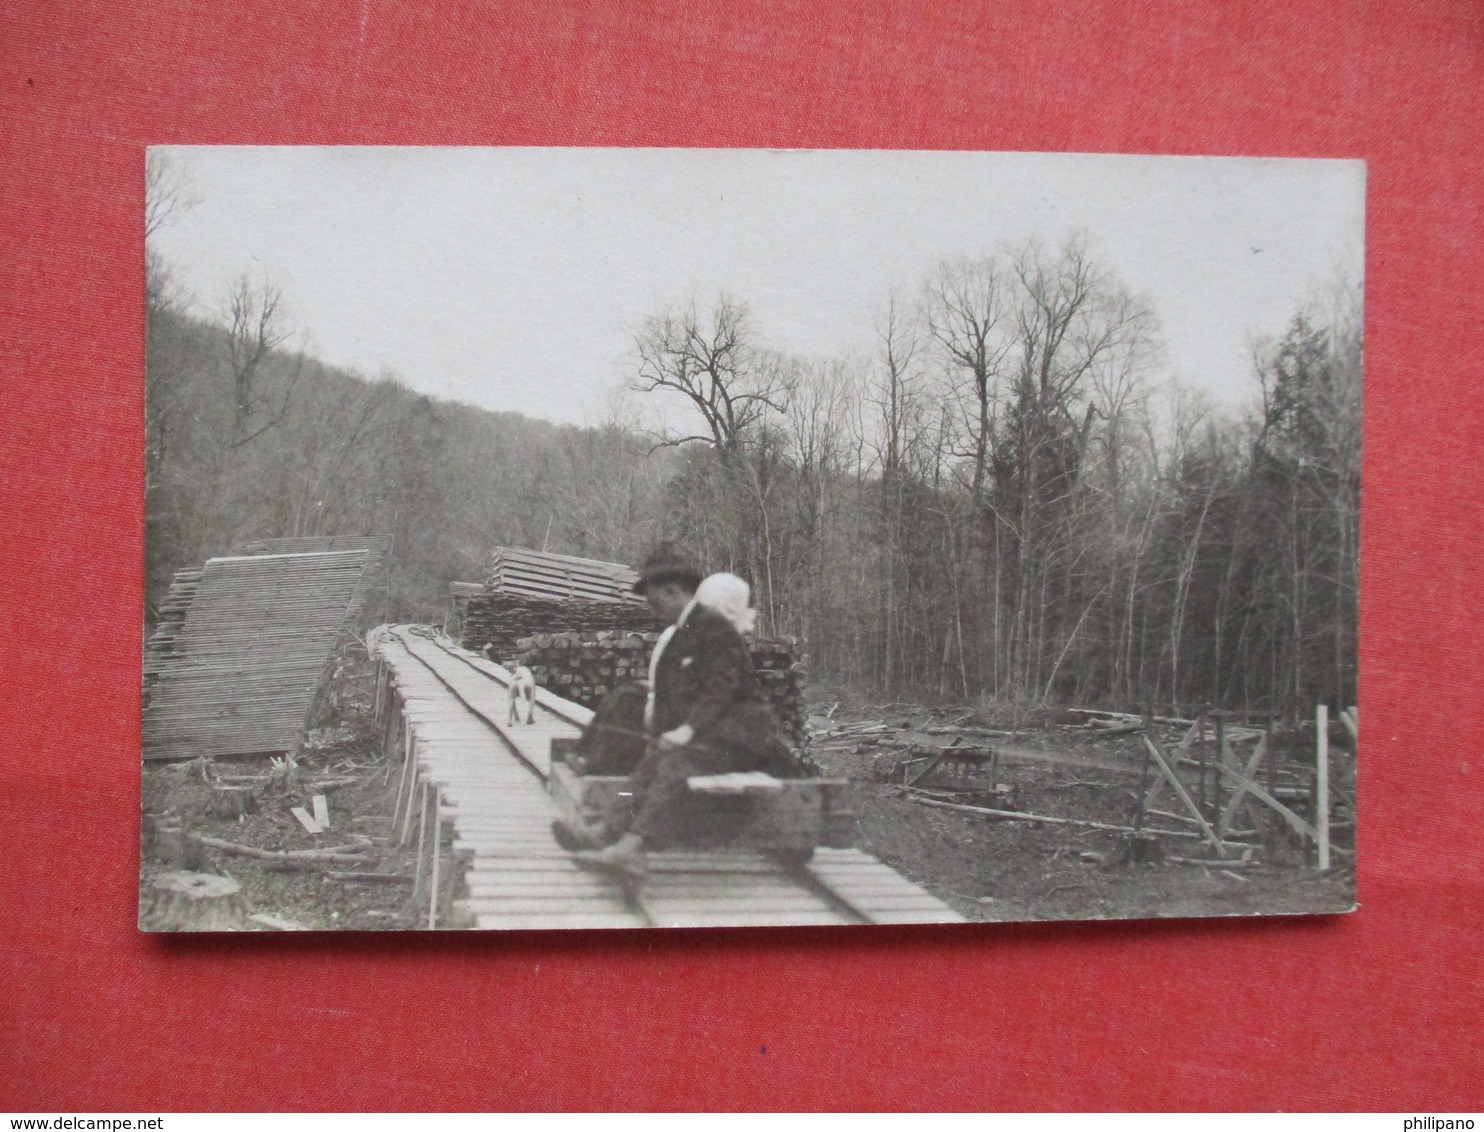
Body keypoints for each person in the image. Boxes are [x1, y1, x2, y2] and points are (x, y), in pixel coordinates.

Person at [571, 548, 798, 880]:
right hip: (715, 735)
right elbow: (674, 695)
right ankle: (608, 832)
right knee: (649, 764)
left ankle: (632, 849)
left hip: (741, 739)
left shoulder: (714, 627)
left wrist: (687, 731)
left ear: (673, 592)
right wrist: (663, 732)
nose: (654, 611)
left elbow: (720, 689)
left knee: (675, 767)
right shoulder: (685, 631)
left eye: (655, 602)